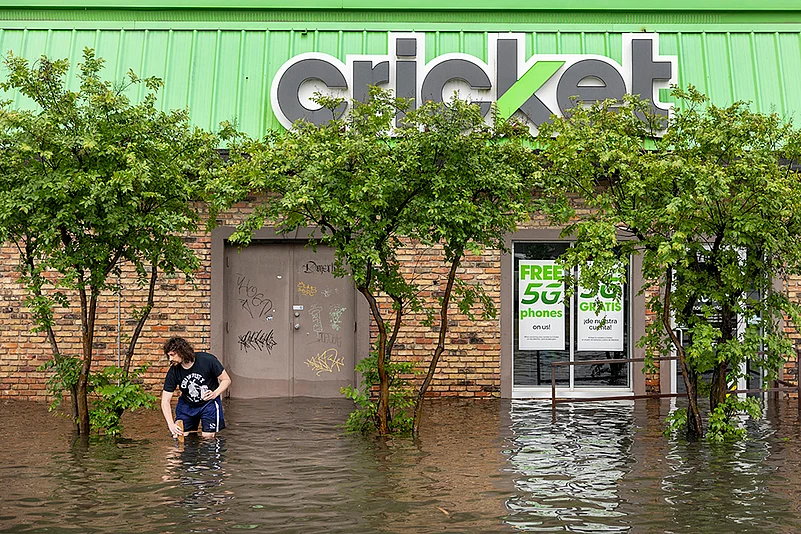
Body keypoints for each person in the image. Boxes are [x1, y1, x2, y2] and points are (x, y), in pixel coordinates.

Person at [161, 336, 232, 438]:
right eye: (169, 356)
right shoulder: (173, 371)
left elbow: (226, 380)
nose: (170, 359)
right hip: (187, 404)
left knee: (208, 437)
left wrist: (215, 393)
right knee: (180, 435)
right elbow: (165, 401)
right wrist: (171, 424)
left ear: (181, 352)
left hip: (208, 403)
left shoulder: (207, 360)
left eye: (172, 355)